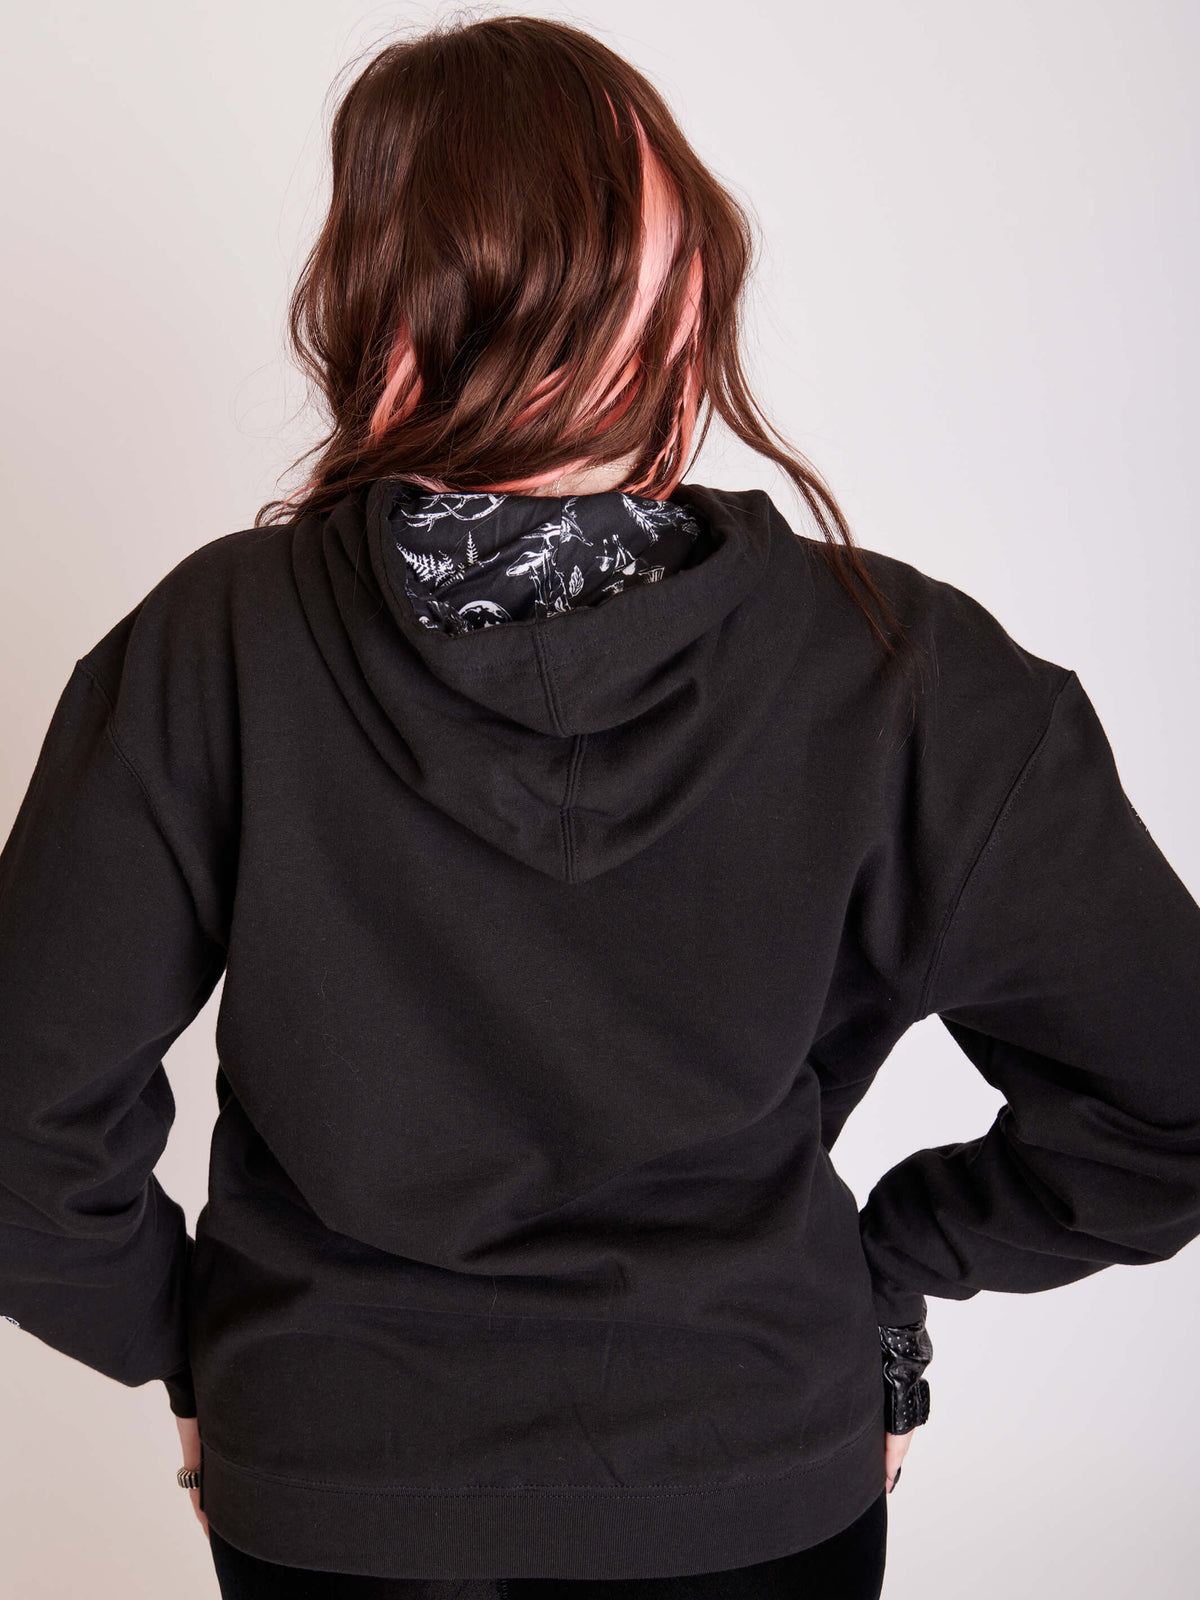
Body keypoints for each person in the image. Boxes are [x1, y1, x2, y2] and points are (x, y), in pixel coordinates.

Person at [0, 13, 1196, 1600]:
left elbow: (20, 1134)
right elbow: (1168, 1100)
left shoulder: (209, 646)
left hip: (339, 1487)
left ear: (374, 308)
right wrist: (885, 1278)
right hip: (752, 1481)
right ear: (692, 295)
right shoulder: (908, 667)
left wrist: (216, 1350)